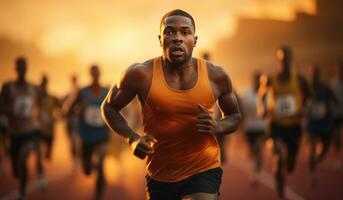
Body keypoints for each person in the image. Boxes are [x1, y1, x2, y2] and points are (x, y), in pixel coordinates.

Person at [101, 9, 241, 200]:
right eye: (169, 32)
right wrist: (132, 138)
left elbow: (234, 116)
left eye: (184, 32)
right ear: (160, 40)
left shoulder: (216, 76)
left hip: (203, 168)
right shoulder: (140, 74)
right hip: (160, 174)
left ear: (194, 40)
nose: (177, 38)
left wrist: (218, 126)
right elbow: (108, 107)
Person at [258, 46, 310, 199]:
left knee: (290, 165)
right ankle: (281, 194)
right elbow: (261, 95)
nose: (284, 62)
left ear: (291, 60)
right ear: (278, 60)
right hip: (276, 125)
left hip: (294, 126)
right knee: (279, 157)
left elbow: (310, 94)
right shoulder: (270, 78)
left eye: (287, 59)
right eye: (281, 60)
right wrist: (262, 108)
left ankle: (288, 164)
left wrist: (306, 106)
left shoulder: (299, 77)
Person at [0, 57, 45, 199]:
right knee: (16, 171)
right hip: (14, 133)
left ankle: (22, 193)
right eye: (18, 67)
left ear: (26, 68)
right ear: (15, 69)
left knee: (23, 159)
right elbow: (1, 106)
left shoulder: (33, 88)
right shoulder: (8, 87)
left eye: (23, 67)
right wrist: (9, 110)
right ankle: (22, 185)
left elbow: (39, 105)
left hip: (30, 131)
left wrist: (41, 116)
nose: (21, 69)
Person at [67, 65, 109, 200]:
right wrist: (77, 111)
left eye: (97, 73)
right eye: (93, 74)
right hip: (86, 136)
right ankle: (95, 166)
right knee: (87, 171)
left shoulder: (106, 92)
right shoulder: (82, 92)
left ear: (100, 74)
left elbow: (115, 108)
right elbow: (69, 108)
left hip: (102, 135)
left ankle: (98, 195)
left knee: (102, 164)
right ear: (90, 75)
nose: (95, 76)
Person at [306, 64, 337, 186]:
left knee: (324, 149)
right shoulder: (306, 88)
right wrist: (305, 108)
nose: (314, 77)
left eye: (316, 75)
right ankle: (312, 173)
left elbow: (335, 101)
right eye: (312, 75)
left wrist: (330, 108)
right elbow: (300, 102)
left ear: (319, 76)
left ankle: (317, 160)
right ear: (309, 75)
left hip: (324, 123)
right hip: (312, 124)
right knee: (312, 147)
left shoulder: (325, 88)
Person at [202, 52, 228, 164]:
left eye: (208, 59)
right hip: (204, 115)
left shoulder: (217, 74)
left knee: (220, 143)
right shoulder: (197, 76)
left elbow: (229, 90)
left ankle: (221, 154)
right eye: (204, 59)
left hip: (217, 116)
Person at [241, 72, 266, 185]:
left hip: (262, 128)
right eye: (255, 80)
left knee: (258, 149)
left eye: (258, 80)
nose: (257, 82)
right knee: (252, 152)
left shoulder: (267, 94)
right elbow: (240, 111)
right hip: (249, 128)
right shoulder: (246, 94)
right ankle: (255, 169)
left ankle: (256, 173)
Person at [38, 74, 60, 160]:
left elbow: (59, 110)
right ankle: (40, 166)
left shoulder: (52, 98)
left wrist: (56, 118)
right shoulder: (37, 98)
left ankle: (45, 157)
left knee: (48, 155)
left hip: (50, 128)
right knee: (38, 151)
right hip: (39, 129)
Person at [62, 75, 80, 171]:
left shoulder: (80, 93)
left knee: (76, 142)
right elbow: (64, 110)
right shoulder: (67, 95)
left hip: (76, 122)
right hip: (70, 122)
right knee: (72, 142)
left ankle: (77, 160)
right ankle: (74, 161)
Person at [331, 60, 343, 171]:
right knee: (337, 137)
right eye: (337, 69)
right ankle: (337, 159)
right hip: (336, 115)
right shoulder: (333, 84)